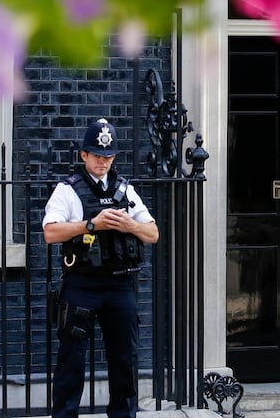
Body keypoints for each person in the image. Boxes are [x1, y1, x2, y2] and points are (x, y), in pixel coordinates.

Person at [43, 118, 159, 418]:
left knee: (125, 360)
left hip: (121, 285)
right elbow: (50, 232)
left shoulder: (125, 190)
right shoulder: (68, 190)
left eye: (108, 157)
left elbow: (153, 234)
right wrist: (90, 224)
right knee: (72, 360)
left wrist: (130, 224)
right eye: (97, 156)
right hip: (82, 283)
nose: (103, 162)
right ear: (84, 155)